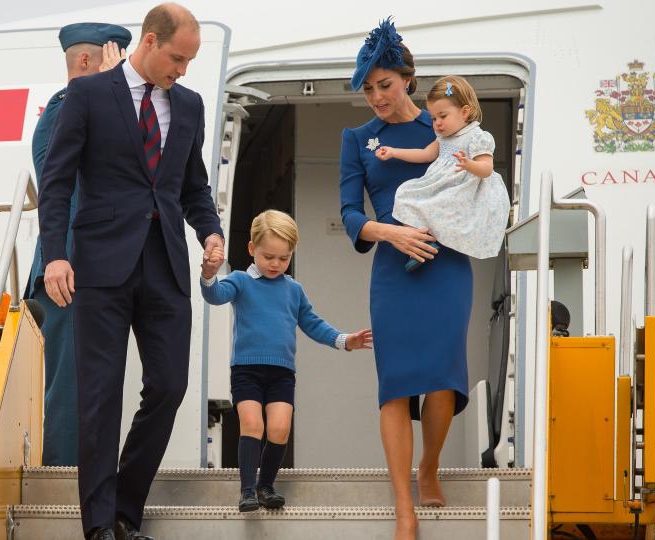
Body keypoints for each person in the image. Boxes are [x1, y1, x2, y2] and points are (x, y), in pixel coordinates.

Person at [36, 4, 224, 540]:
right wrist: (56, 254)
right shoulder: (89, 95)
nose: (183, 70)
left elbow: (192, 187)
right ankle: (100, 526)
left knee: (169, 384)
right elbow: (57, 181)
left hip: (164, 264)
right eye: (177, 58)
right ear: (149, 41)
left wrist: (209, 232)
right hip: (99, 265)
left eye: (190, 61)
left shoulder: (188, 105)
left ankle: (123, 504)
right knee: (99, 395)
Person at [339, 18, 472, 540]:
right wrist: (390, 234)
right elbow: (350, 212)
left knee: (442, 378)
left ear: (408, 81)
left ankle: (430, 465)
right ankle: (403, 507)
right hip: (393, 269)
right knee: (394, 386)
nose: (376, 97)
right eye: (368, 88)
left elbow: (475, 187)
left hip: (446, 264)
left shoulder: (442, 127)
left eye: (385, 85)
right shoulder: (358, 139)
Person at [199, 210, 373, 512]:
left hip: (281, 374)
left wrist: (345, 340)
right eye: (269, 257)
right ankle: (248, 491)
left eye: (284, 258)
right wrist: (208, 274)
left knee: (279, 429)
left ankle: (267, 486)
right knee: (252, 424)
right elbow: (215, 295)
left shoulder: (293, 290)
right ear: (252, 249)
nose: (276, 265)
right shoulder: (241, 280)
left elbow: (313, 324)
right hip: (247, 371)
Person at [24, 22, 131, 468]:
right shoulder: (66, 108)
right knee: (70, 384)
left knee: (91, 384)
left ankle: (86, 482)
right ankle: (66, 485)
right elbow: (60, 186)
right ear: (86, 62)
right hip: (68, 270)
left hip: (92, 270)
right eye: (117, 64)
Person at [375, 74, 510, 268]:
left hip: (462, 188)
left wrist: (468, 164)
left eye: (443, 116)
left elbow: (487, 169)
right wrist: (394, 152)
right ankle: (423, 240)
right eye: (433, 118)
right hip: (441, 184)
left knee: (445, 207)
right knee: (405, 193)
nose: (437, 123)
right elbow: (425, 154)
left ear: (464, 112)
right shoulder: (443, 139)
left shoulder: (478, 137)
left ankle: (434, 239)